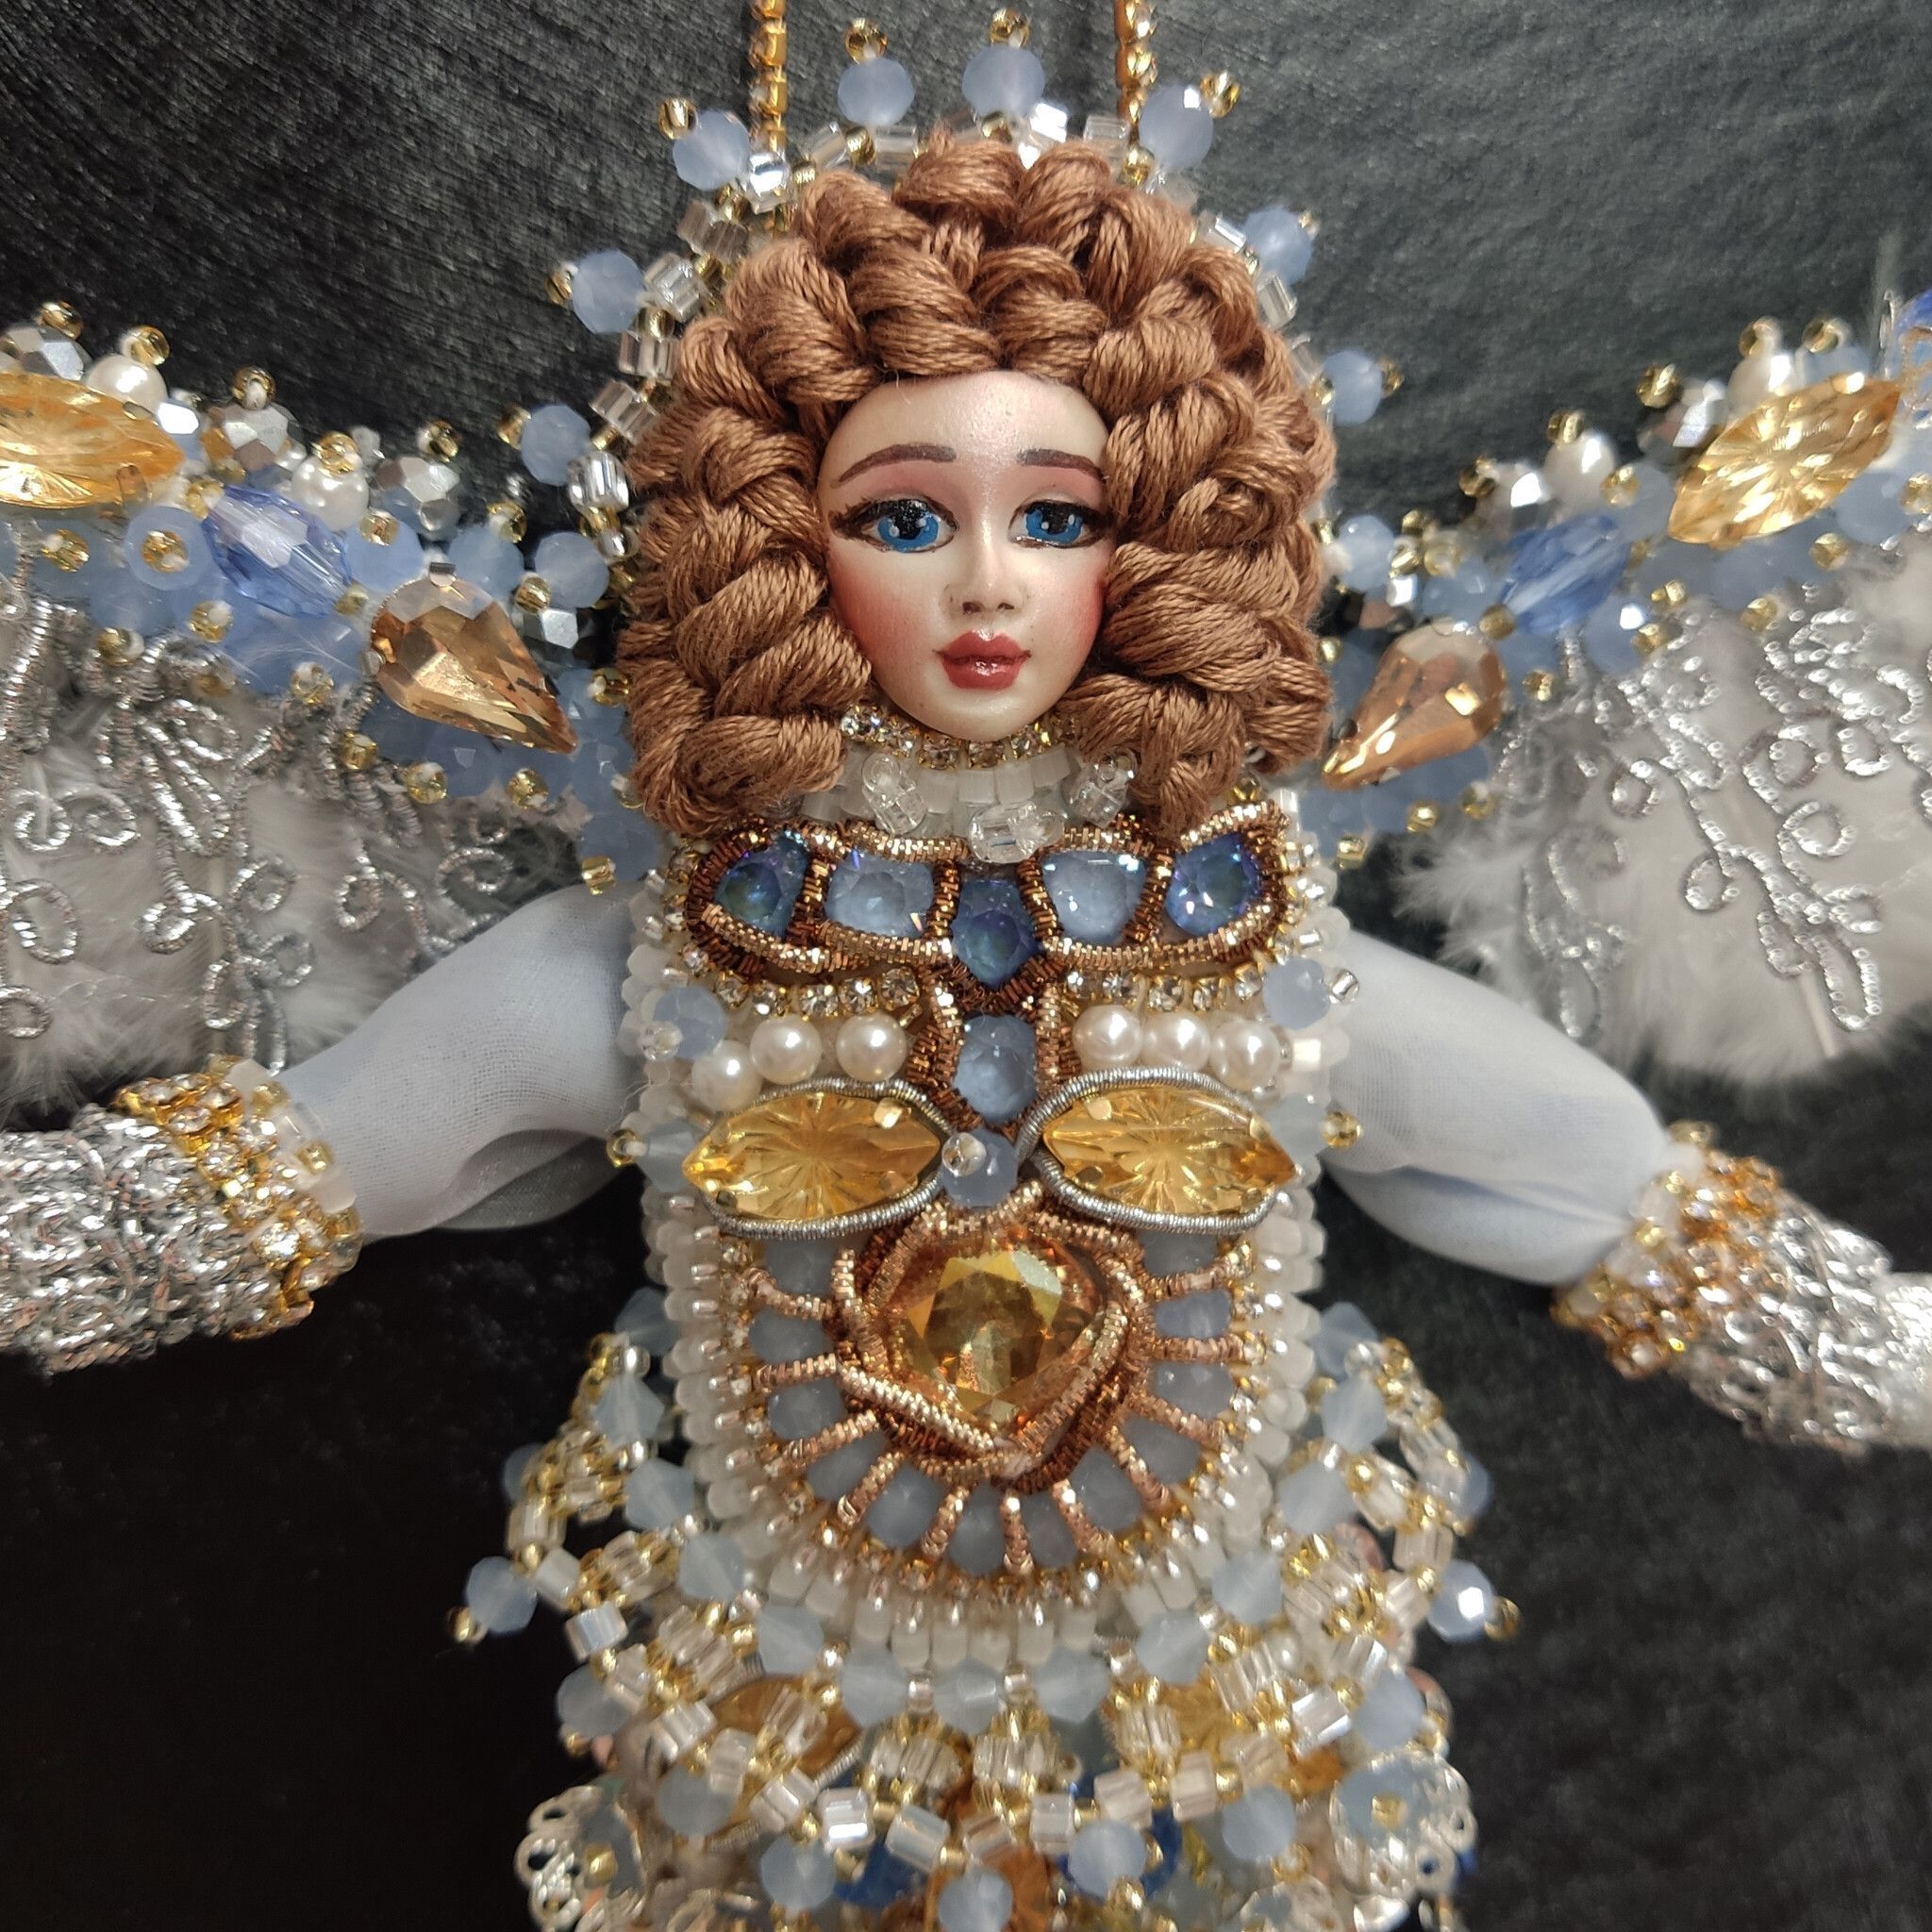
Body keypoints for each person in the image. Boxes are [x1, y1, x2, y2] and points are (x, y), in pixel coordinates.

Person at [5, 135, 1926, 1931]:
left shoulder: (1247, 938)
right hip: (781, 1694)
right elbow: (351, 1144)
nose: (989, 582)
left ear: (1150, 539)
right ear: (787, 539)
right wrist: (81, 1235)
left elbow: (1569, 1168)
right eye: (907, 514)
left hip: (1219, 1685)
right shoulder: (693, 947)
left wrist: (1847, 1335)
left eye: (1057, 515)